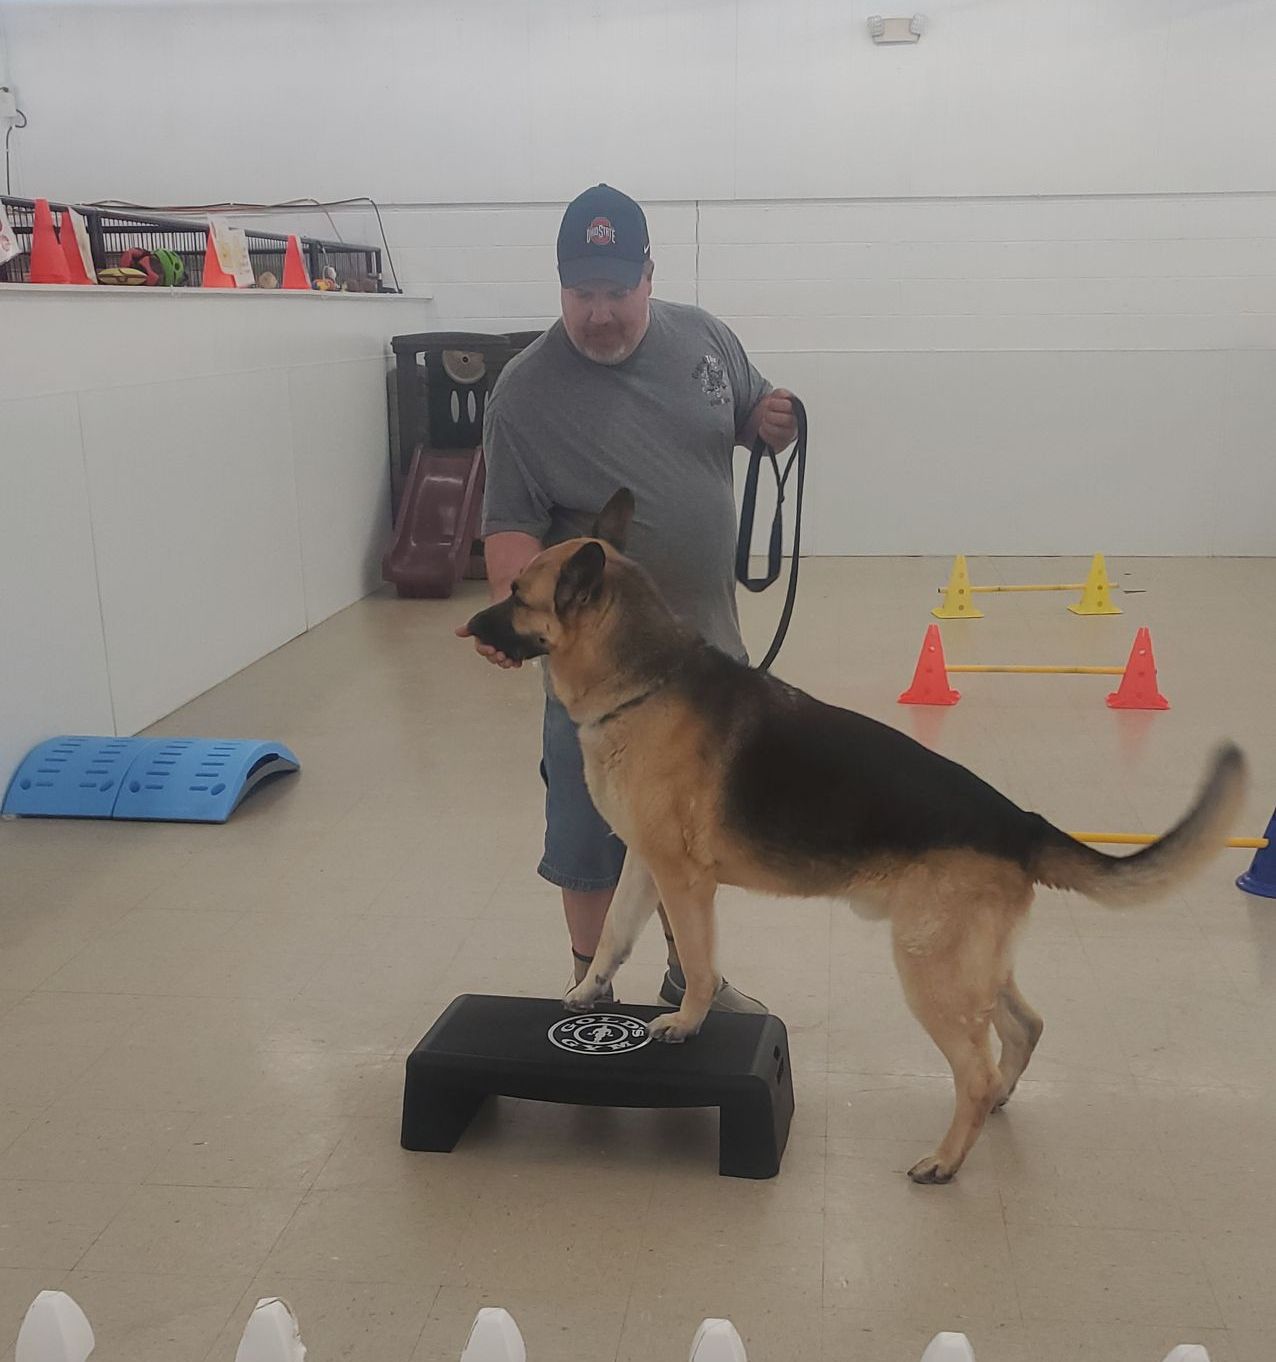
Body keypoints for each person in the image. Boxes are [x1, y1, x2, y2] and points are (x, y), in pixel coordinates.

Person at [457, 183, 798, 1010]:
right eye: (582, 294)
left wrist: (770, 420)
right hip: (596, 678)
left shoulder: (705, 341)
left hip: (706, 662)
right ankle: (591, 990)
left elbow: (747, 412)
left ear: (649, 275)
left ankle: (691, 980)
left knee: (690, 830)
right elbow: (510, 532)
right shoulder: (525, 393)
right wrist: (513, 615)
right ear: (560, 285)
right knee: (587, 836)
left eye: (616, 291)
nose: (600, 313)